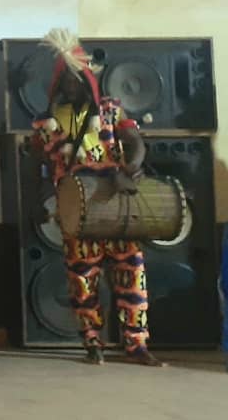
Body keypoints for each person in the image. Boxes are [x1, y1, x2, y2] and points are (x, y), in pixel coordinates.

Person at [30, 28, 162, 367]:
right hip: (77, 212)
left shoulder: (111, 110)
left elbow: (135, 142)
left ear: (89, 80)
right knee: (82, 284)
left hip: (118, 204)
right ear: (59, 84)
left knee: (132, 275)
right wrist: (43, 200)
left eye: (78, 79)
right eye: (67, 80)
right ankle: (92, 342)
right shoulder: (46, 124)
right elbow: (38, 165)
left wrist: (130, 168)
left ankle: (137, 345)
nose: (72, 86)